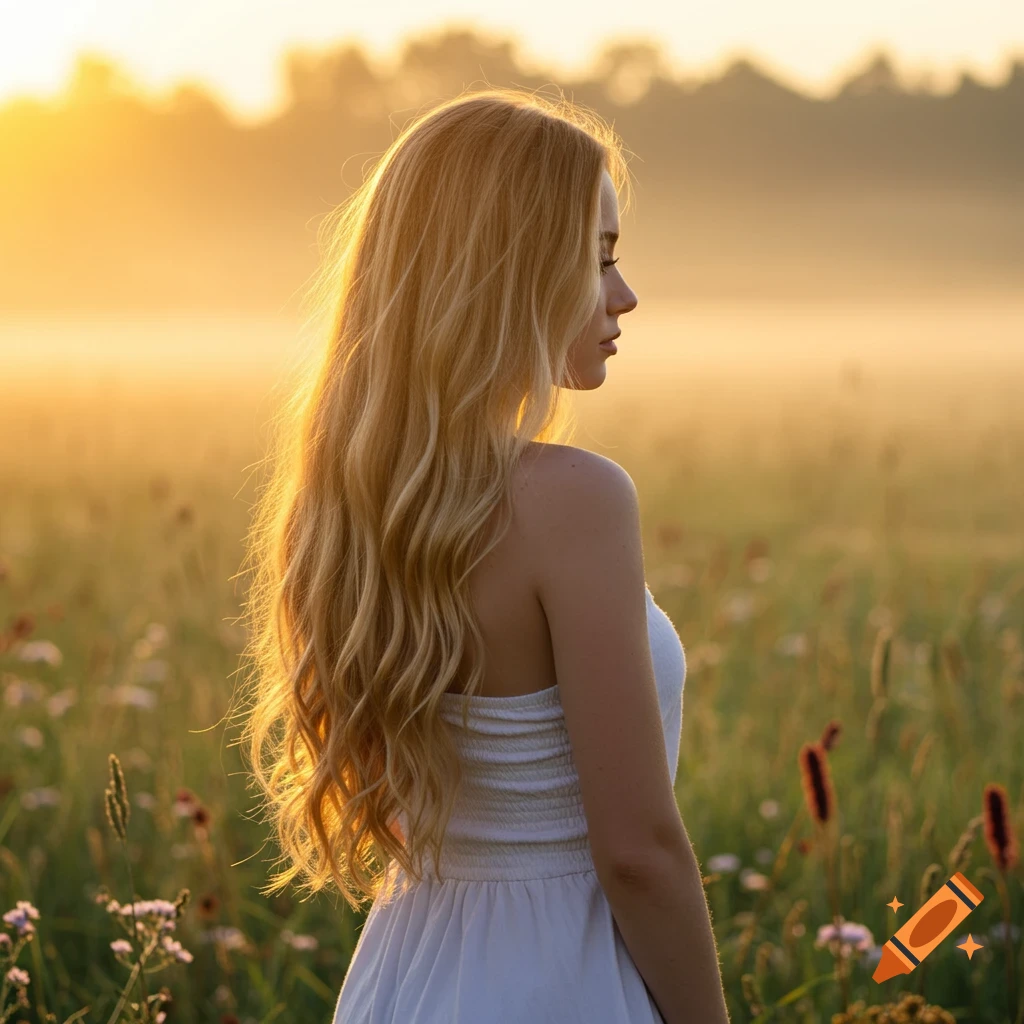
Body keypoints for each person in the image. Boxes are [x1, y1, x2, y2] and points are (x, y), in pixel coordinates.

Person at [235, 86, 731, 1023]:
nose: (625, 295)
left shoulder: (345, 505)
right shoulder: (574, 500)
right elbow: (637, 851)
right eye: (599, 259)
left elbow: (405, 803)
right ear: (512, 272)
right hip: (562, 974)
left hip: (408, 971)